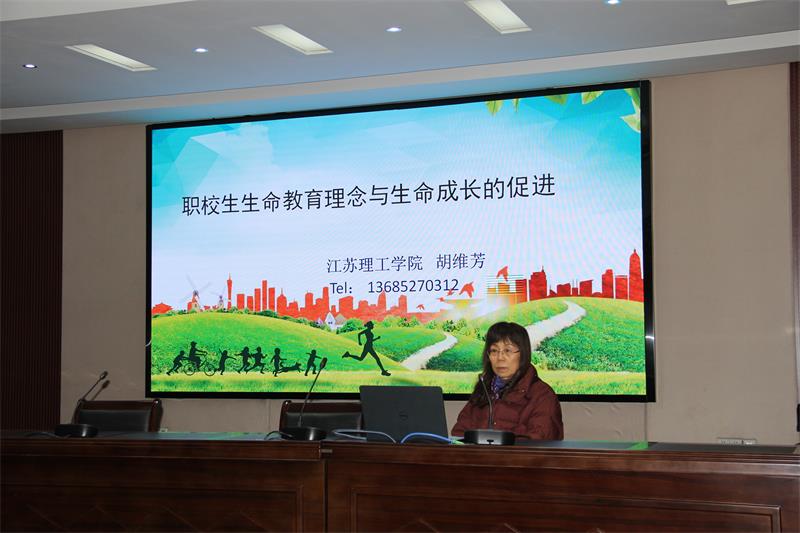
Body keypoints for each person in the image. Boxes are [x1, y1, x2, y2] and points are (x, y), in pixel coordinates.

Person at [451, 321, 563, 441]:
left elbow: (539, 441)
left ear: (523, 354)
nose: (500, 358)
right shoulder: (484, 390)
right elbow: (458, 434)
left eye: (508, 351)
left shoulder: (542, 395)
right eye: (494, 351)